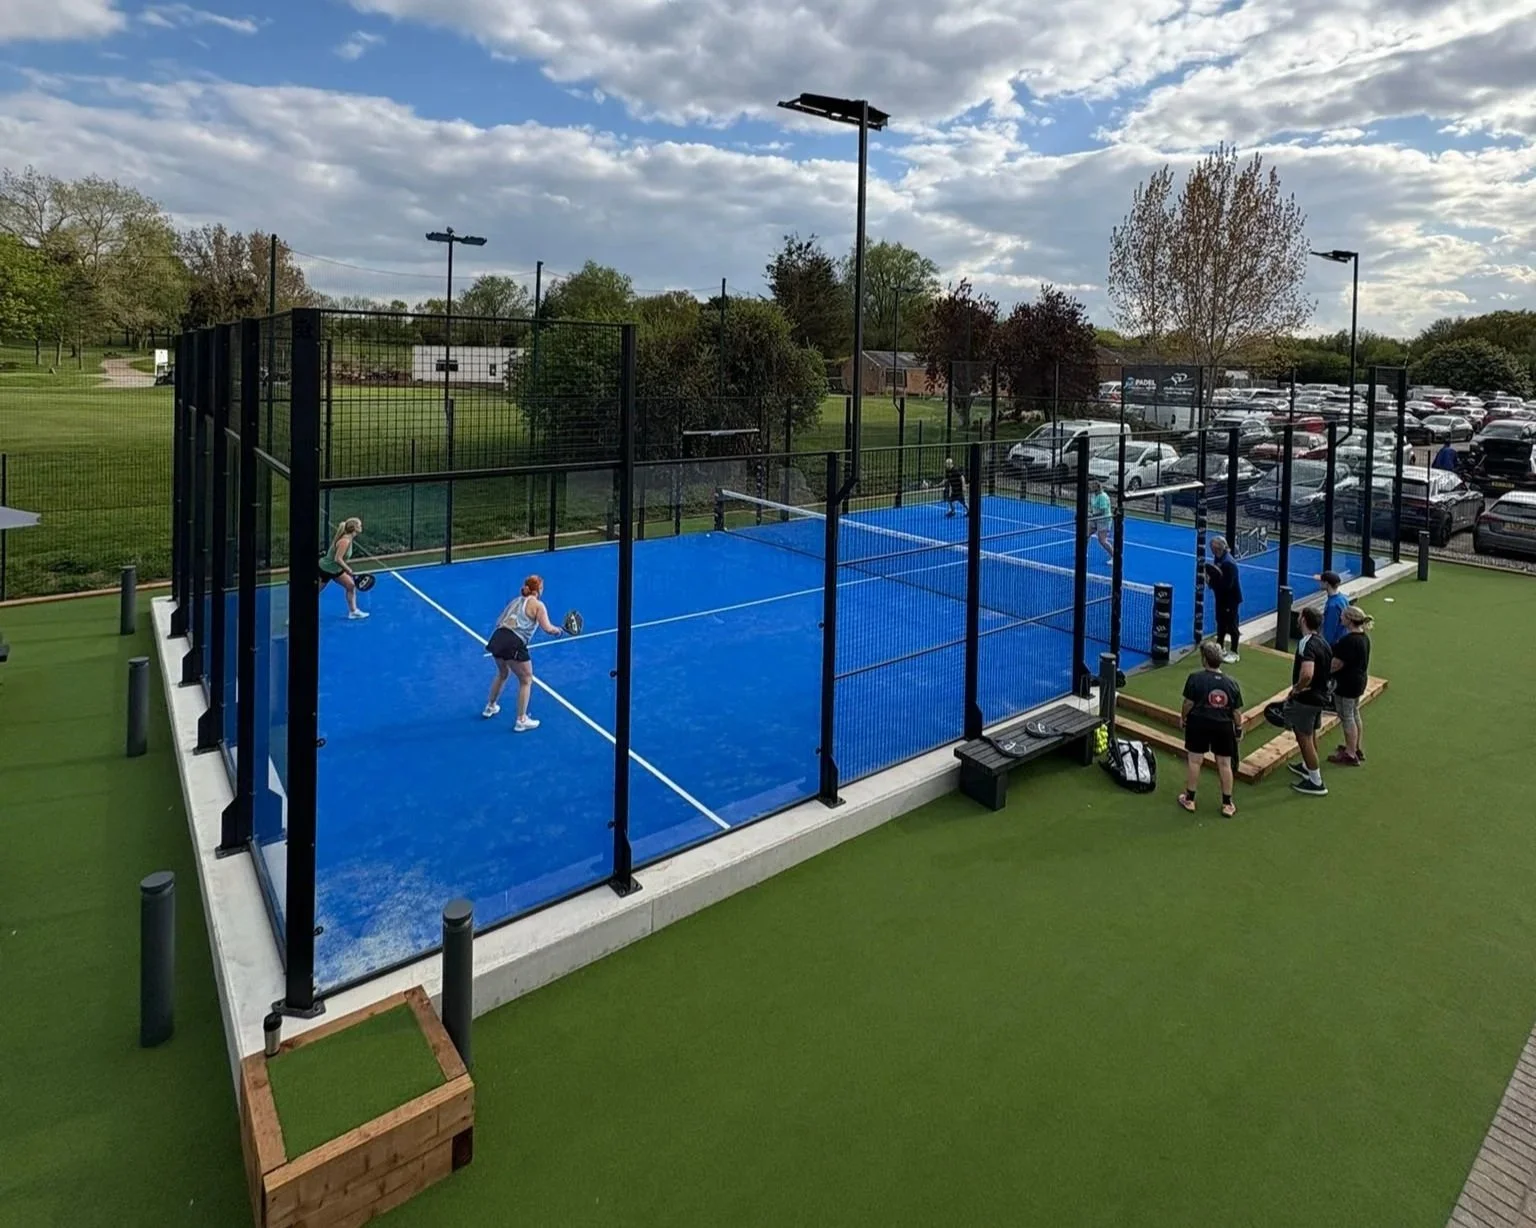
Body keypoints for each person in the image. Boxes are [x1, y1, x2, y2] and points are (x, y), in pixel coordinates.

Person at [483, 575, 564, 732]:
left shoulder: (515, 601)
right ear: (538, 590)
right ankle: (521, 720)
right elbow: (547, 628)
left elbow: (499, 621)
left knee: (502, 673)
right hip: (513, 642)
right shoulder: (539, 605)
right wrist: (558, 631)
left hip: (497, 638)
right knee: (526, 679)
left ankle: (490, 707)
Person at [1177, 640, 1244, 818]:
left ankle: (1189, 799)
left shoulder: (1194, 678)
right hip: (1223, 725)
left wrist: (1183, 718)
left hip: (1198, 722)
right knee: (1224, 763)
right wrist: (1238, 728)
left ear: (1204, 659)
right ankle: (1227, 804)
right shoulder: (1232, 684)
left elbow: (1188, 703)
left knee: (1195, 760)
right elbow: (1236, 712)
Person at [1285, 605, 1333, 796]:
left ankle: (1316, 781)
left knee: (1303, 736)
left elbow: (1307, 674)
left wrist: (1296, 689)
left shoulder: (1307, 643)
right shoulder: (1324, 643)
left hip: (1307, 699)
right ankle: (1307, 766)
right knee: (1311, 732)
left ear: (1303, 620)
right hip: (1319, 696)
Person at [1328, 605, 1373, 766]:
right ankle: (1355, 747)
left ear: (1349, 620)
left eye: (1343, 617)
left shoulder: (1349, 641)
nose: (1341, 619)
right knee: (1354, 713)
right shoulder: (1364, 637)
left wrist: (1325, 671)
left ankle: (1350, 753)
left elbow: (1337, 664)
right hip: (1358, 681)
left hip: (1347, 683)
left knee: (1347, 716)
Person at [317, 517, 368, 620]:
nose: (361, 527)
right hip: (326, 570)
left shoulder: (349, 539)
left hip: (335, 570)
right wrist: (348, 569)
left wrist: (345, 569)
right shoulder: (345, 541)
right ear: (355, 528)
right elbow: (337, 559)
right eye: (360, 525)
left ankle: (353, 612)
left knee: (351, 585)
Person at [1205, 536, 1243, 663]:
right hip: (1221, 598)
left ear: (1218, 548)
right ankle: (1220, 648)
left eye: (1213, 547)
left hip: (1230, 599)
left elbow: (1227, 585)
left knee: (1231, 625)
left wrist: (1211, 583)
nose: (1212, 550)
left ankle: (1235, 651)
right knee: (1220, 622)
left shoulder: (1228, 563)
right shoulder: (1219, 558)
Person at [1317, 570, 1348, 647]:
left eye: (1321, 582)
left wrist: (1324, 646)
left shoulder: (1332, 605)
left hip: (1334, 645)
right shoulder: (1343, 598)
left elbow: (1330, 631)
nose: (1320, 583)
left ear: (1326, 583)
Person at [1087, 480, 1113, 559]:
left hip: (1103, 520)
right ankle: (1083, 552)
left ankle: (1114, 557)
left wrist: (1091, 515)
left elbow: (1102, 511)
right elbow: (1093, 507)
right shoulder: (1093, 495)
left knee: (1102, 541)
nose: (1090, 487)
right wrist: (1090, 512)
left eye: (1092, 486)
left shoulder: (1103, 497)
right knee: (1086, 534)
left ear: (1097, 487)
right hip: (1094, 519)